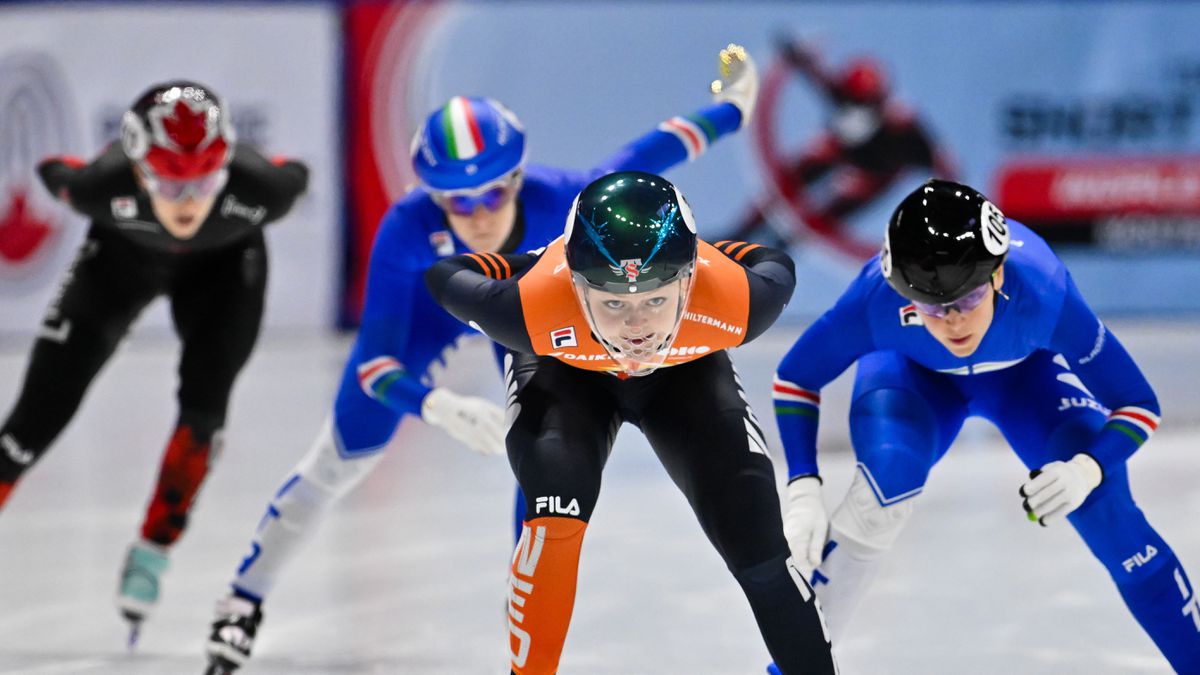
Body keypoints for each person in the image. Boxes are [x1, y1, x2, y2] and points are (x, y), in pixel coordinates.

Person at [203, 45, 760, 674]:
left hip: (513, 304)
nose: (477, 216)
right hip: (429, 308)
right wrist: (432, 404)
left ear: (518, 179)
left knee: (544, 450)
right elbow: (372, 365)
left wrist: (732, 111)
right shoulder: (407, 227)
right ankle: (241, 600)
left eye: (492, 195)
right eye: (455, 202)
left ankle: (525, 597)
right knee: (339, 458)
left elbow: (648, 155)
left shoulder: (560, 199)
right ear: (430, 198)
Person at [768, 179, 1199, 672]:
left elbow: (1138, 405)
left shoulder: (1043, 291)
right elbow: (796, 379)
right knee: (884, 482)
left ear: (997, 276)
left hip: (1027, 378)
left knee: (1108, 512)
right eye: (930, 306)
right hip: (914, 378)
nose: (953, 322)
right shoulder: (874, 299)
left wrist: (1087, 470)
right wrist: (802, 486)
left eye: (968, 300)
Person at [425, 171, 837, 674]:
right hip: (566, 374)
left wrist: (706, 251)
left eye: (656, 300)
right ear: (577, 288)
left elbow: (775, 262)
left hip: (683, 377)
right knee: (556, 507)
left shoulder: (739, 303)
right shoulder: (529, 308)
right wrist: (532, 264)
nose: (637, 328)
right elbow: (445, 274)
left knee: (760, 545)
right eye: (614, 302)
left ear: (689, 281)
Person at [0, 80, 309, 642]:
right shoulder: (102, 187)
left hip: (223, 276)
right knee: (30, 426)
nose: (190, 201)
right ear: (138, 172)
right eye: (170, 183)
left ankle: (153, 550)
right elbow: (56, 170)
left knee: (204, 411)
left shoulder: (262, 190)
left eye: (207, 181)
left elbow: (295, 172)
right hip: (116, 267)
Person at [730, 36, 954, 255]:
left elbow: (940, 164)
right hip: (843, 151)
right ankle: (738, 234)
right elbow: (817, 75)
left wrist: (946, 207)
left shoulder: (903, 128)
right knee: (790, 180)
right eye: (853, 100)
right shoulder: (842, 94)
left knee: (828, 215)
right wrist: (795, 53)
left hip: (876, 173)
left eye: (864, 102)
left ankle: (776, 248)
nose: (857, 106)